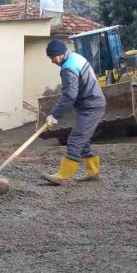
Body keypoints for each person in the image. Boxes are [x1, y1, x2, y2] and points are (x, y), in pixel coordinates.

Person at [42, 38, 107, 184]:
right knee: (83, 139)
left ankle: (63, 176)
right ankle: (93, 171)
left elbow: (69, 96)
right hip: (92, 103)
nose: (52, 61)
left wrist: (54, 115)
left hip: (91, 106)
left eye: (52, 57)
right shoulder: (76, 57)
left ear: (60, 54)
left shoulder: (68, 68)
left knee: (75, 139)